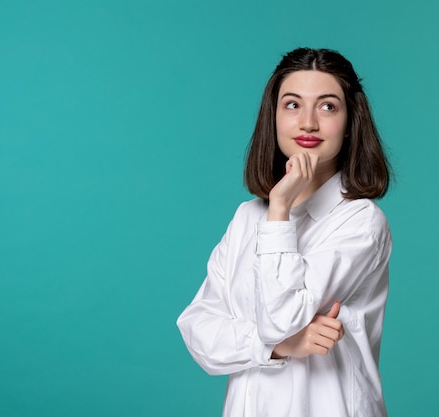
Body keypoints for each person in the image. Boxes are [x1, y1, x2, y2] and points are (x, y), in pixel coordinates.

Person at [177, 47, 392, 417]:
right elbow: (198, 331)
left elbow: (282, 318)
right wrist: (276, 347)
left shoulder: (361, 221)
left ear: (350, 122)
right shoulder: (247, 217)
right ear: (273, 117)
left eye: (327, 106)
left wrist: (279, 210)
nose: (308, 122)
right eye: (292, 105)